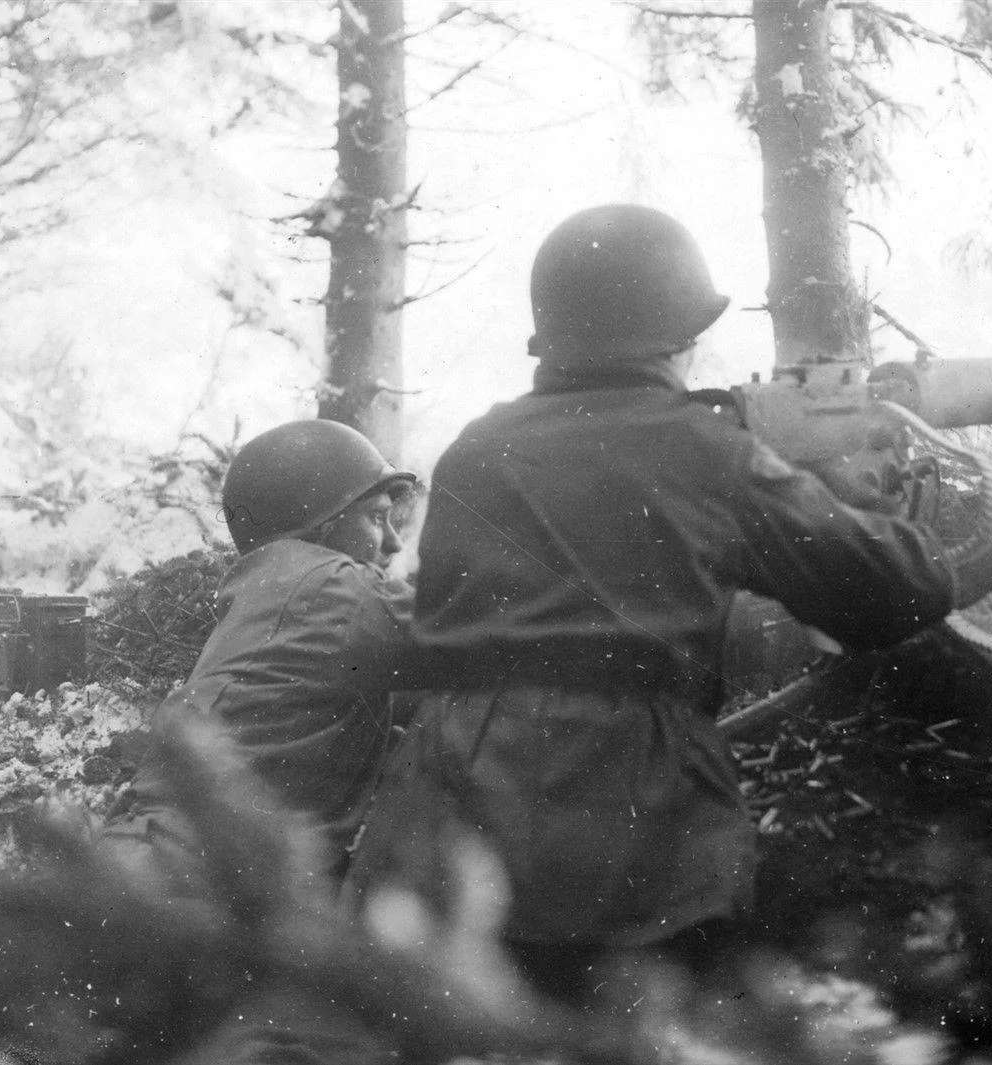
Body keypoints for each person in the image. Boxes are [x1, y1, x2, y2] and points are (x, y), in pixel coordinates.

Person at [349, 204, 957, 996]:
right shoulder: (707, 449)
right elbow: (900, 590)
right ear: (674, 336)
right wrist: (831, 480)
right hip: (632, 799)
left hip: (451, 788)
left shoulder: (475, 448)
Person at [107, 418, 420, 897]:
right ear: (324, 522)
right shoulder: (331, 586)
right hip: (190, 877)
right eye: (377, 518)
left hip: (162, 859)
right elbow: (470, 631)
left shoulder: (276, 587)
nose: (393, 543)